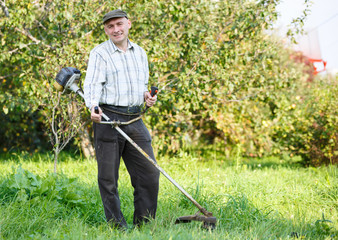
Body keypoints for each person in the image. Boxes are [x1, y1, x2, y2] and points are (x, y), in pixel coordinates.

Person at [83, 9, 160, 229]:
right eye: (110, 26)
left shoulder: (140, 53)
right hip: (107, 118)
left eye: (119, 24)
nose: (115, 29)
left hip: (134, 118)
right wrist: (94, 107)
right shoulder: (99, 53)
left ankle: (144, 224)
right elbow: (92, 84)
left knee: (149, 173)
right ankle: (117, 227)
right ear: (106, 30)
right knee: (108, 178)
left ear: (128, 24)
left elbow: (141, 85)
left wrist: (146, 96)